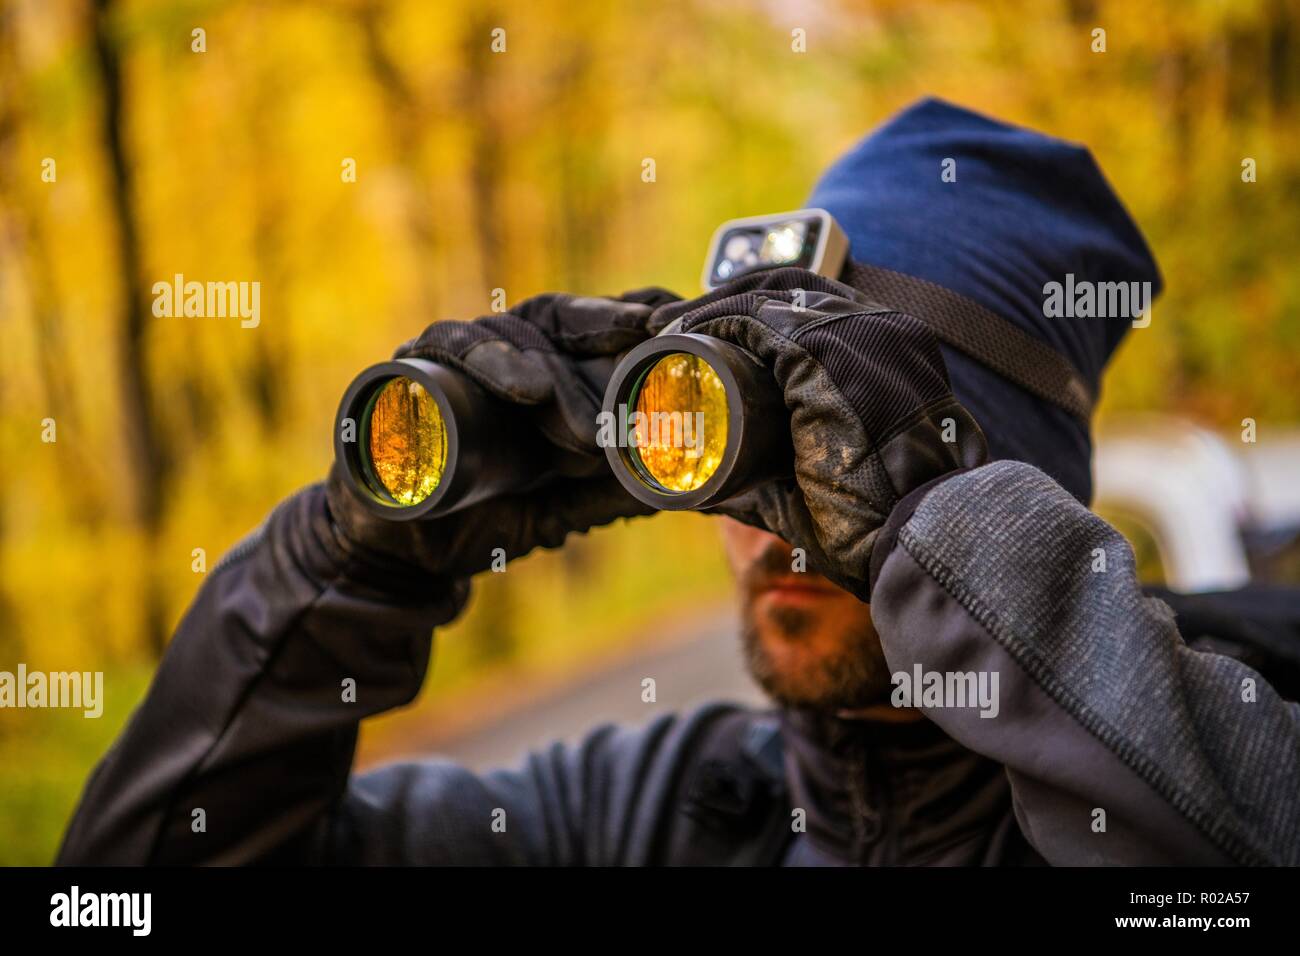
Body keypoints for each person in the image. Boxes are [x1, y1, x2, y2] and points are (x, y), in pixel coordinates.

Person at [58, 98, 1300, 866]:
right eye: (762, 448)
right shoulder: (651, 814)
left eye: (848, 451)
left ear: (1009, 488)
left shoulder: (1237, 744)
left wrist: (942, 544)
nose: (775, 529)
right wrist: (342, 563)